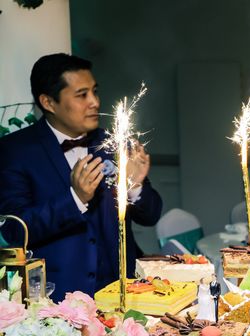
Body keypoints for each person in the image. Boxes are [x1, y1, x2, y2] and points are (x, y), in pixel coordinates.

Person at [0, 53, 162, 301]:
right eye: (81, 95)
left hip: (123, 293)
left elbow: (150, 216)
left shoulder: (113, 144)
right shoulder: (15, 151)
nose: (95, 102)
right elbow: (15, 232)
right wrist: (75, 198)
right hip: (57, 300)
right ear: (48, 102)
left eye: (95, 92)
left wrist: (135, 186)